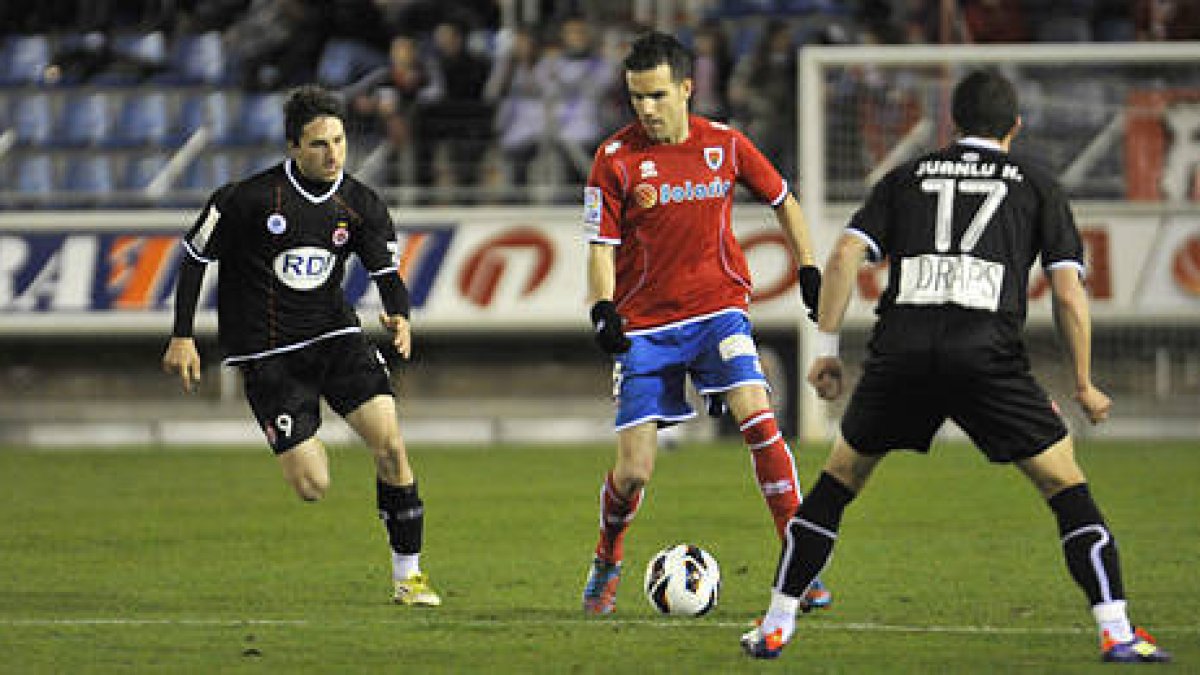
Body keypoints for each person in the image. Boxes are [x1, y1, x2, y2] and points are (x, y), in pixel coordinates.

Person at [740, 70, 1171, 664]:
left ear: (952, 125)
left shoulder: (905, 176)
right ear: (1014, 128)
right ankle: (1117, 630)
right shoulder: (1037, 184)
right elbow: (1069, 294)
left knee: (837, 484)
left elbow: (844, 255)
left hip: (902, 354)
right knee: (1066, 488)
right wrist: (1084, 384)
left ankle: (776, 624)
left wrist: (828, 355)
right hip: (986, 357)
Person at [161, 84, 441, 608]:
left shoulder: (359, 203)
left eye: (339, 141)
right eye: (319, 144)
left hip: (335, 337)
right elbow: (195, 257)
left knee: (392, 445)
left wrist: (399, 313)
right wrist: (183, 334)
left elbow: (386, 270)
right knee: (313, 486)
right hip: (268, 354)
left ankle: (411, 577)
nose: (333, 153)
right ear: (293, 147)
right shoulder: (246, 199)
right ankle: (303, 426)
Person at [580, 31, 830, 615]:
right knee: (636, 470)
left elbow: (784, 201)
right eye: (636, 97)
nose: (645, 108)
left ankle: (802, 568)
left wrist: (810, 267)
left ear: (687, 88)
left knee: (759, 421)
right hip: (644, 326)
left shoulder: (726, 145)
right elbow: (599, 246)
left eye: (657, 95)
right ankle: (608, 557)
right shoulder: (614, 159)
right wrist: (602, 307)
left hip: (718, 311)